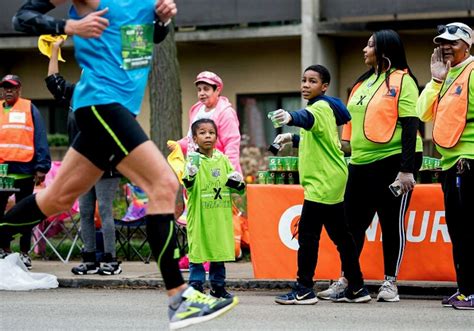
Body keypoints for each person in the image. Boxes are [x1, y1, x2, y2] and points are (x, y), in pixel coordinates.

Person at [8, 0, 238, 329]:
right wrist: (69, 27)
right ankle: (179, 296)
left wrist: (161, 20)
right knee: (164, 185)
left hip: (117, 109)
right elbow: (22, 17)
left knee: (56, 198)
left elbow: (148, 41)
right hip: (101, 103)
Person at [331, 30, 423, 302]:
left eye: (370, 45)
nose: (364, 49)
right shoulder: (363, 83)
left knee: (391, 224)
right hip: (359, 162)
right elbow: (349, 123)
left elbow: (410, 127)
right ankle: (348, 280)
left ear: (383, 50)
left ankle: (390, 283)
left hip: (393, 161)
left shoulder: (403, 80)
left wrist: (406, 169)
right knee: (351, 226)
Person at [272, 65, 371, 305]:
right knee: (342, 237)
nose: (306, 84)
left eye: (312, 81)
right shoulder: (323, 107)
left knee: (308, 236)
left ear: (324, 86)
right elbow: (316, 136)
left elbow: (307, 119)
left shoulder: (319, 108)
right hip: (330, 180)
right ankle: (357, 287)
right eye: (304, 80)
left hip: (322, 182)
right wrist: (291, 137)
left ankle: (304, 288)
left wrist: (291, 117)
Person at [44, 37, 121, 275]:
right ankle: (89, 259)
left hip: (105, 164)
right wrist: (54, 51)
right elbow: (53, 83)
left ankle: (111, 261)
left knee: (105, 211)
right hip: (82, 166)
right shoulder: (76, 93)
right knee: (86, 212)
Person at [417, 22, 474, 310]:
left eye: (452, 41)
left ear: (468, 44)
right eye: (442, 42)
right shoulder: (448, 76)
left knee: (469, 229)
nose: (445, 46)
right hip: (450, 163)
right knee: (458, 229)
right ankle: (465, 290)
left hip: (469, 161)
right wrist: (436, 80)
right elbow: (422, 112)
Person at [182, 118, 245, 298]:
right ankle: (195, 285)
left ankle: (218, 286)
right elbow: (188, 184)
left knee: (219, 251)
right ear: (194, 138)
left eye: (211, 132)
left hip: (219, 215)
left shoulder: (222, 159)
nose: (207, 136)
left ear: (217, 136)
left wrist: (237, 181)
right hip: (201, 216)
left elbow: (235, 188)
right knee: (197, 251)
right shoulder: (193, 160)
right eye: (202, 133)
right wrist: (191, 174)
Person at [0, 74, 51, 270]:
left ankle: (23, 253)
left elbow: (39, 136)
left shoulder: (29, 108)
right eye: (5, 87)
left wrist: (41, 166)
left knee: (24, 214)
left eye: (12, 87)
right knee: (0, 212)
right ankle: (3, 249)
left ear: (19, 89)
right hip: (3, 172)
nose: (8, 90)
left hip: (24, 170)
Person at [173, 71, 242, 173]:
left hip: (216, 172)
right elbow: (192, 139)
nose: (201, 93)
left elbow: (232, 145)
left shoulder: (226, 113)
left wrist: (230, 173)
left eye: (206, 89)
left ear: (217, 90)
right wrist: (178, 145)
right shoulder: (197, 110)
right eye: (199, 89)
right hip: (195, 170)